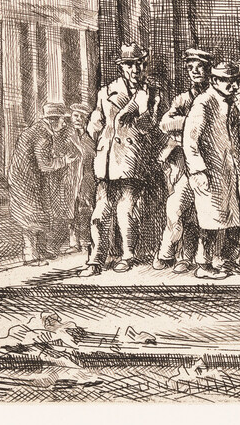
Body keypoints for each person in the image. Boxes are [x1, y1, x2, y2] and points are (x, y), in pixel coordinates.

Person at [80, 44, 163, 275]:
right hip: (107, 159)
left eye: (139, 64)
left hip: (132, 157)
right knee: (101, 211)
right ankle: (96, 259)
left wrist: (142, 106)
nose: (135, 69)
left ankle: (127, 255)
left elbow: (151, 128)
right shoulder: (106, 92)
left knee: (127, 209)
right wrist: (98, 136)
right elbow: (95, 124)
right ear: (122, 67)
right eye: (129, 64)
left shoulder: (151, 93)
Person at [182, 60, 240, 279]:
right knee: (209, 221)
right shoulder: (204, 103)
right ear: (214, 81)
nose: (233, 85)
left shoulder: (234, 101)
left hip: (231, 170)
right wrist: (197, 170)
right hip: (210, 172)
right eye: (227, 81)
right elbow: (190, 140)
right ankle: (204, 264)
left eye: (235, 81)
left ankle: (228, 260)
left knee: (235, 218)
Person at [154, 47, 213, 272]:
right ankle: (169, 253)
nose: (195, 72)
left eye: (200, 67)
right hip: (184, 163)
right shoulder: (182, 99)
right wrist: (193, 122)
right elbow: (165, 124)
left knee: (203, 214)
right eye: (191, 68)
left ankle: (193, 258)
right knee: (177, 208)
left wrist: (186, 126)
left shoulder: (216, 97)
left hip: (210, 164)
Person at [7, 102, 75, 265]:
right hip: (26, 182)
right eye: (61, 120)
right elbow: (44, 164)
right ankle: (30, 256)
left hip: (31, 180)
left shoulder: (39, 130)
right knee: (31, 218)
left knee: (42, 214)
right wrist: (63, 161)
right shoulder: (43, 135)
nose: (64, 123)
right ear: (53, 120)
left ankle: (42, 250)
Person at [61, 100, 97, 260]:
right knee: (71, 211)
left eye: (81, 117)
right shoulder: (66, 138)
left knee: (86, 210)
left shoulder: (90, 139)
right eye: (75, 116)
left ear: (86, 119)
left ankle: (86, 241)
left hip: (87, 180)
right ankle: (73, 242)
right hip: (70, 178)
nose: (77, 119)